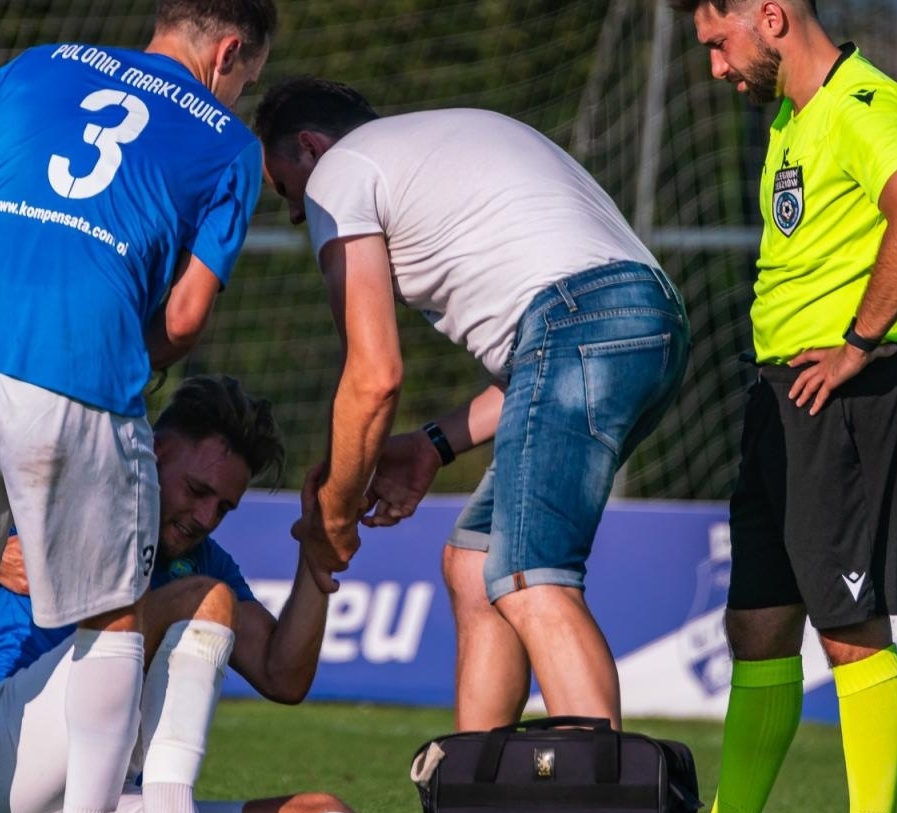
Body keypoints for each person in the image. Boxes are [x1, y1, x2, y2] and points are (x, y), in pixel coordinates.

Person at [0, 0, 276, 813]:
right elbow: (185, 315)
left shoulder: (34, 65)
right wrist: (119, 355)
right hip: (83, 365)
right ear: (229, 57)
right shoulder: (230, 142)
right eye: (248, 77)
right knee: (112, 616)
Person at [0, 374, 423, 813]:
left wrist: (316, 557)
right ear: (152, 451)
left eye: (223, 507)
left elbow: (283, 674)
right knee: (203, 599)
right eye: (197, 491)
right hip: (3, 771)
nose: (204, 518)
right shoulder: (74, 500)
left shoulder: (206, 559)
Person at [252, 80, 690, 734]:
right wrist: (433, 444)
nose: (295, 213)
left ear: (311, 149)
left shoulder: (338, 175)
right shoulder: (430, 143)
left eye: (285, 190)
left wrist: (335, 515)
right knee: (475, 562)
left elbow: (374, 376)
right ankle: (469, 805)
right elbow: (545, 367)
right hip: (647, 326)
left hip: (579, 325)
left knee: (531, 576)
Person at [669, 0, 897, 813]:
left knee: (849, 628)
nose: (716, 66)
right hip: (781, 393)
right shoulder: (793, 118)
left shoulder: (869, 109)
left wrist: (861, 342)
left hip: (850, 392)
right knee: (759, 623)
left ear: (771, 20)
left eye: (718, 42)